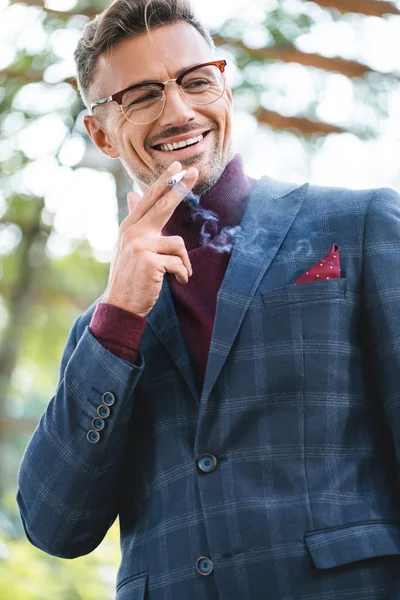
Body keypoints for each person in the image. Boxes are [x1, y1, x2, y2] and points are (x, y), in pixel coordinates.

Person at [17, 0, 400, 598]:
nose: (178, 110)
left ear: (224, 87)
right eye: (142, 96)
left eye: (196, 82)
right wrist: (118, 318)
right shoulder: (101, 335)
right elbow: (54, 525)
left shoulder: (361, 224)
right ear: (100, 133)